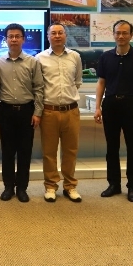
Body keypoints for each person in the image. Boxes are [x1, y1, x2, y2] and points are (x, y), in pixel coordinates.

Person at [94, 20, 133, 202]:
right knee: (111, 147)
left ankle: (132, 187)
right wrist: (97, 107)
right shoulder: (106, 57)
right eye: (118, 33)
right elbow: (101, 83)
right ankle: (114, 184)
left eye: (125, 33)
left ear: (131, 35)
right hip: (110, 105)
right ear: (113, 35)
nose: (121, 36)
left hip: (131, 105)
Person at [0, 23, 44, 203]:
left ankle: (22, 188)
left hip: (26, 111)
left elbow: (39, 88)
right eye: (10, 36)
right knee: (7, 152)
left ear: (23, 39)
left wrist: (37, 112)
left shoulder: (33, 62)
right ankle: (8, 187)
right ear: (6, 40)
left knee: (25, 152)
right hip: (6, 111)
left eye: (17, 36)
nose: (14, 39)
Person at [36, 23, 83, 203]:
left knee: (71, 150)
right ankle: (50, 186)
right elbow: (38, 87)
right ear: (48, 36)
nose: (57, 36)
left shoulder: (75, 56)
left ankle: (70, 186)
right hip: (49, 111)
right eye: (53, 33)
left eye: (60, 33)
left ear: (65, 35)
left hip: (71, 111)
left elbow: (77, 81)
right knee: (49, 152)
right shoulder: (40, 58)